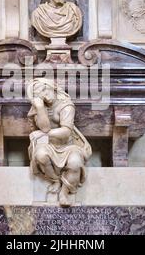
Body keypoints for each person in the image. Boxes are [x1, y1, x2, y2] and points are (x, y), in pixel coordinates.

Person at [26, 78, 92, 207]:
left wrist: (41, 134)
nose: (44, 95)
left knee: (75, 163)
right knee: (41, 155)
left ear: (53, 86)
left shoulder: (66, 105)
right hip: (48, 145)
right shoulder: (40, 106)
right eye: (39, 94)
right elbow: (45, 127)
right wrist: (39, 107)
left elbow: (66, 132)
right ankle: (55, 180)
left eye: (45, 89)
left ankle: (64, 191)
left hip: (69, 146)